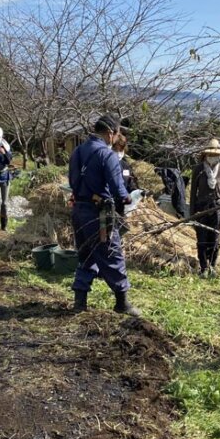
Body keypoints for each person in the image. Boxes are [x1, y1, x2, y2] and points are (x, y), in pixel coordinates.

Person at [68, 115, 140, 316]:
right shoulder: (107, 156)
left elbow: (72, 182)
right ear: (110, 133)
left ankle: (80, 300)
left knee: (86, 255)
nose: (116, 138)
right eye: (117, 134)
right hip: (99, 214)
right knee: (112, 254)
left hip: (78, 210)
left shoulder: (77, 152)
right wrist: (128, 199)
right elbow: (119, 190)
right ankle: (122, 302)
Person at [189, 139, 220, 278]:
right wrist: (192, 213)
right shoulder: (199, 169)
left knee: (215, 239)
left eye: (216, 155)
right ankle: (203, 268)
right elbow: (193, 192)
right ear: (206, 154)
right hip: (201, 208)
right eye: (211, 154)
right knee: (201, 239)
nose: (213, 157)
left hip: (217, 207)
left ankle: (212, 266)